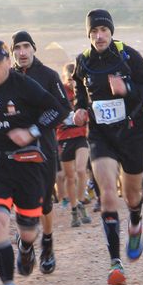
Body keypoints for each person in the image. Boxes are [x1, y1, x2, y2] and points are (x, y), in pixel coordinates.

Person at [71, 9, 143, 285]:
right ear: (88, 34)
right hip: (101, 136)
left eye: (104, 31)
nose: (99, 36)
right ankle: (115, 263)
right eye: (94, 32)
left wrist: (128, 88)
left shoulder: (128, 56)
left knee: (132, 195)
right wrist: (79, 111)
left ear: (111, 33)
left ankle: (135, 222)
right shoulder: (83, 62)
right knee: (108, 192)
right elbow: (80, 96)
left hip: (132, 133)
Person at [0, 40, 63, 285]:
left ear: (7, 63)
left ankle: (26, 246)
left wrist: (31, 132)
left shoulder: (24, 86)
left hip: (27, 165)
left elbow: (57, 110)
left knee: (28, 230)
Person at [11, 30, 71, 274]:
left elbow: (62, 108)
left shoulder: (48, 76)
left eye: (26, 46)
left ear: (34, 48)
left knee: (45, 203)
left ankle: (47, 242)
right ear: (12, 52)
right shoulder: (7, 77)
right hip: (14, 150)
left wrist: (36, 128)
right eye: (17, 48)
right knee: (20, 200)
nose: (22, 52)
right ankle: (26, 245)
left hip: (44, 147)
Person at [56, 62, 92, 227]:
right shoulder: (59, 92)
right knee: (70, 177)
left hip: (80, 136)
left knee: (80, 170)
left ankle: (81, 201)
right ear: (64, 78)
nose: (71, 82)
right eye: (69, 79)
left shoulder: (81, 92)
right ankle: (74, 209)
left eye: (73, 79)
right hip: (63, 138)